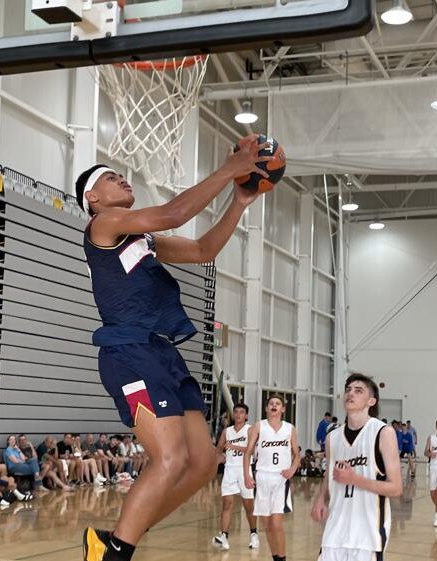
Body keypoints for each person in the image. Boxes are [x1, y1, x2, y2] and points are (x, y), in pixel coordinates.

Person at [77, 134, 272, 561]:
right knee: (168, 458)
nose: (123, 179)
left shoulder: (142, 242)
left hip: (161, 351)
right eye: (112, 177)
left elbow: (204, 249)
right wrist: (228, 169)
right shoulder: (102, 226)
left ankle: (113, 539)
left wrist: (238, 202)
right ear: (92, 198)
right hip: (127, 350)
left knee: (202, 462)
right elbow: (172, 213)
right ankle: (113, 554)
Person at [311, 373, 402, 561]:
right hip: (334, 531)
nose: (350, 394)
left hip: (368, 534)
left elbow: (396, 488)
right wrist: (321, 498)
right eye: (348, 390)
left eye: (358, 391)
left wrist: (354, 479)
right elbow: (330, 474)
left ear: (371, 401)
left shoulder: (383, 433)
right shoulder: (332, 438)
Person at [244, 394, 300, 561]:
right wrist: (246, 475)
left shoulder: (290, 428)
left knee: (276, 523)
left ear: (283, 409)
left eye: (278, 403)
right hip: (261, 477)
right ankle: (276, 557)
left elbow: (297, 454)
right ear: (266, 408)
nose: (274, 406)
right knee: (267, 525)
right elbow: (248, 453)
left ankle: (283, 558)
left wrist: (293, 469)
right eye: (271, 403)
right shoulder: (258, 426)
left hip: (280, 479)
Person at [212, 402, 258, 551]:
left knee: (248, 506)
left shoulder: (250, 430)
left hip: (245, 470)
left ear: (246, 415)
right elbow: (219, 449)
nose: (238, 415)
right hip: (230, 470)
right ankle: (224, 536)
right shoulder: (227, 431)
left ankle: (253, 534)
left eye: (241, 412)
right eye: (236, 412)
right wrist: (218, 457)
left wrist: (233, 447)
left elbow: (250, 450)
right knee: (227, 504)